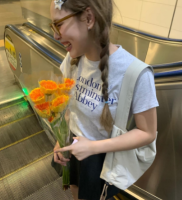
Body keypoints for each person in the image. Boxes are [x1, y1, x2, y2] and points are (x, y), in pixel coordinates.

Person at [50, 0, 159, 200]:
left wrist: (92, 147)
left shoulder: (136, 74)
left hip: (101, 159)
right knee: (76, 192)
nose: (55, 35)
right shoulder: (72, 61)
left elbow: (148, 132)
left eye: (58, 25)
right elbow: (70, 109)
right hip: (75, 147)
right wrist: (60, 139)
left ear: (89, 19)